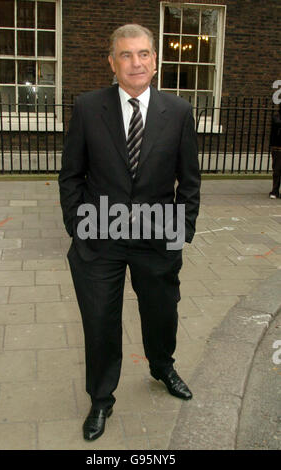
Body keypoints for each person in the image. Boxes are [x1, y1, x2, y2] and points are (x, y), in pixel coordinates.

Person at [58, 24, 200, 441]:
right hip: (100, 235)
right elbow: (71, 175)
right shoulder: (87, 107)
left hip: (157, 236)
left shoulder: (178, 112)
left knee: (161, 313)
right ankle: (101, 399)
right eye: (125, 55)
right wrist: (78, 227)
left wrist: (181, 232)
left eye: (142, 54)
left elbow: (188, 180)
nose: (135, 62)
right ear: (112, 62)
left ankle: (162, 367)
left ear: (155, 60)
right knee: (100, 320)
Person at [269, 103, 281, 199]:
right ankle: (275, 190)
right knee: (277, 170)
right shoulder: (276, 117)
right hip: (278, 148)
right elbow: (277, 124)